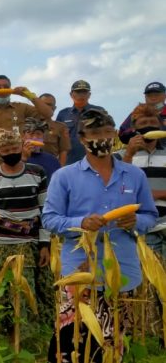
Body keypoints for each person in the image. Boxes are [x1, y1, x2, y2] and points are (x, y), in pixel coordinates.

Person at [42, 109, 158, 362]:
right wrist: (81, 222)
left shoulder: (134, 175)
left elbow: (150, 216)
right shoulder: (65, 176)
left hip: (122, 274)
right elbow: (49, 219)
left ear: (115, 134)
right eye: (94, 133)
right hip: (79, 275)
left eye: (107, 132)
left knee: (113, 346)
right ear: (82, 139)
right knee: (70, 345)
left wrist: (135, 221)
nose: (101, 138)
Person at [0, 128, 51, 336]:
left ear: (21, 147)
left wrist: (45, 243)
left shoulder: (37, 173)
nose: (10, 152)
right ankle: (4, 329)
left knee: (26, 285)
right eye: (5, 149)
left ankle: (28, 331)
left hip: (28, 241)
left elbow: (45, 210)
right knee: (1, 286)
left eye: (14, 147)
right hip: (0, 241)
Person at [118, 104, 166, 338]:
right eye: (143, 126)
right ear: (134, 130)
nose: (149, 130)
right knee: (146, 282)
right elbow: (117, 188)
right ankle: (150, 331)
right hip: (139, 227)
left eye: (153, 126)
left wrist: (153, 195)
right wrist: (128, 154)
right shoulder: (122, 157)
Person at [55, 80, 106, 165]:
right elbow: (57, 139)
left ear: (89, 94)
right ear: (71, 94)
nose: (81, 95)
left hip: (94, 161)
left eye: (84, 92)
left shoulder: (99, 111)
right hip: (69, 162)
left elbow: (106, 134)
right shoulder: (63, 114)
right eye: (78, 92)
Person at [38, 93, 71, 166]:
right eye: (42, 104)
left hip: (50, 166)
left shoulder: (61, 127)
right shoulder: (27, 125)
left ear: (54, 108)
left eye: (49, 104)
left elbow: (64, 151)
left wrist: (59, 170)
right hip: (29, 168)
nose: (45, 107)